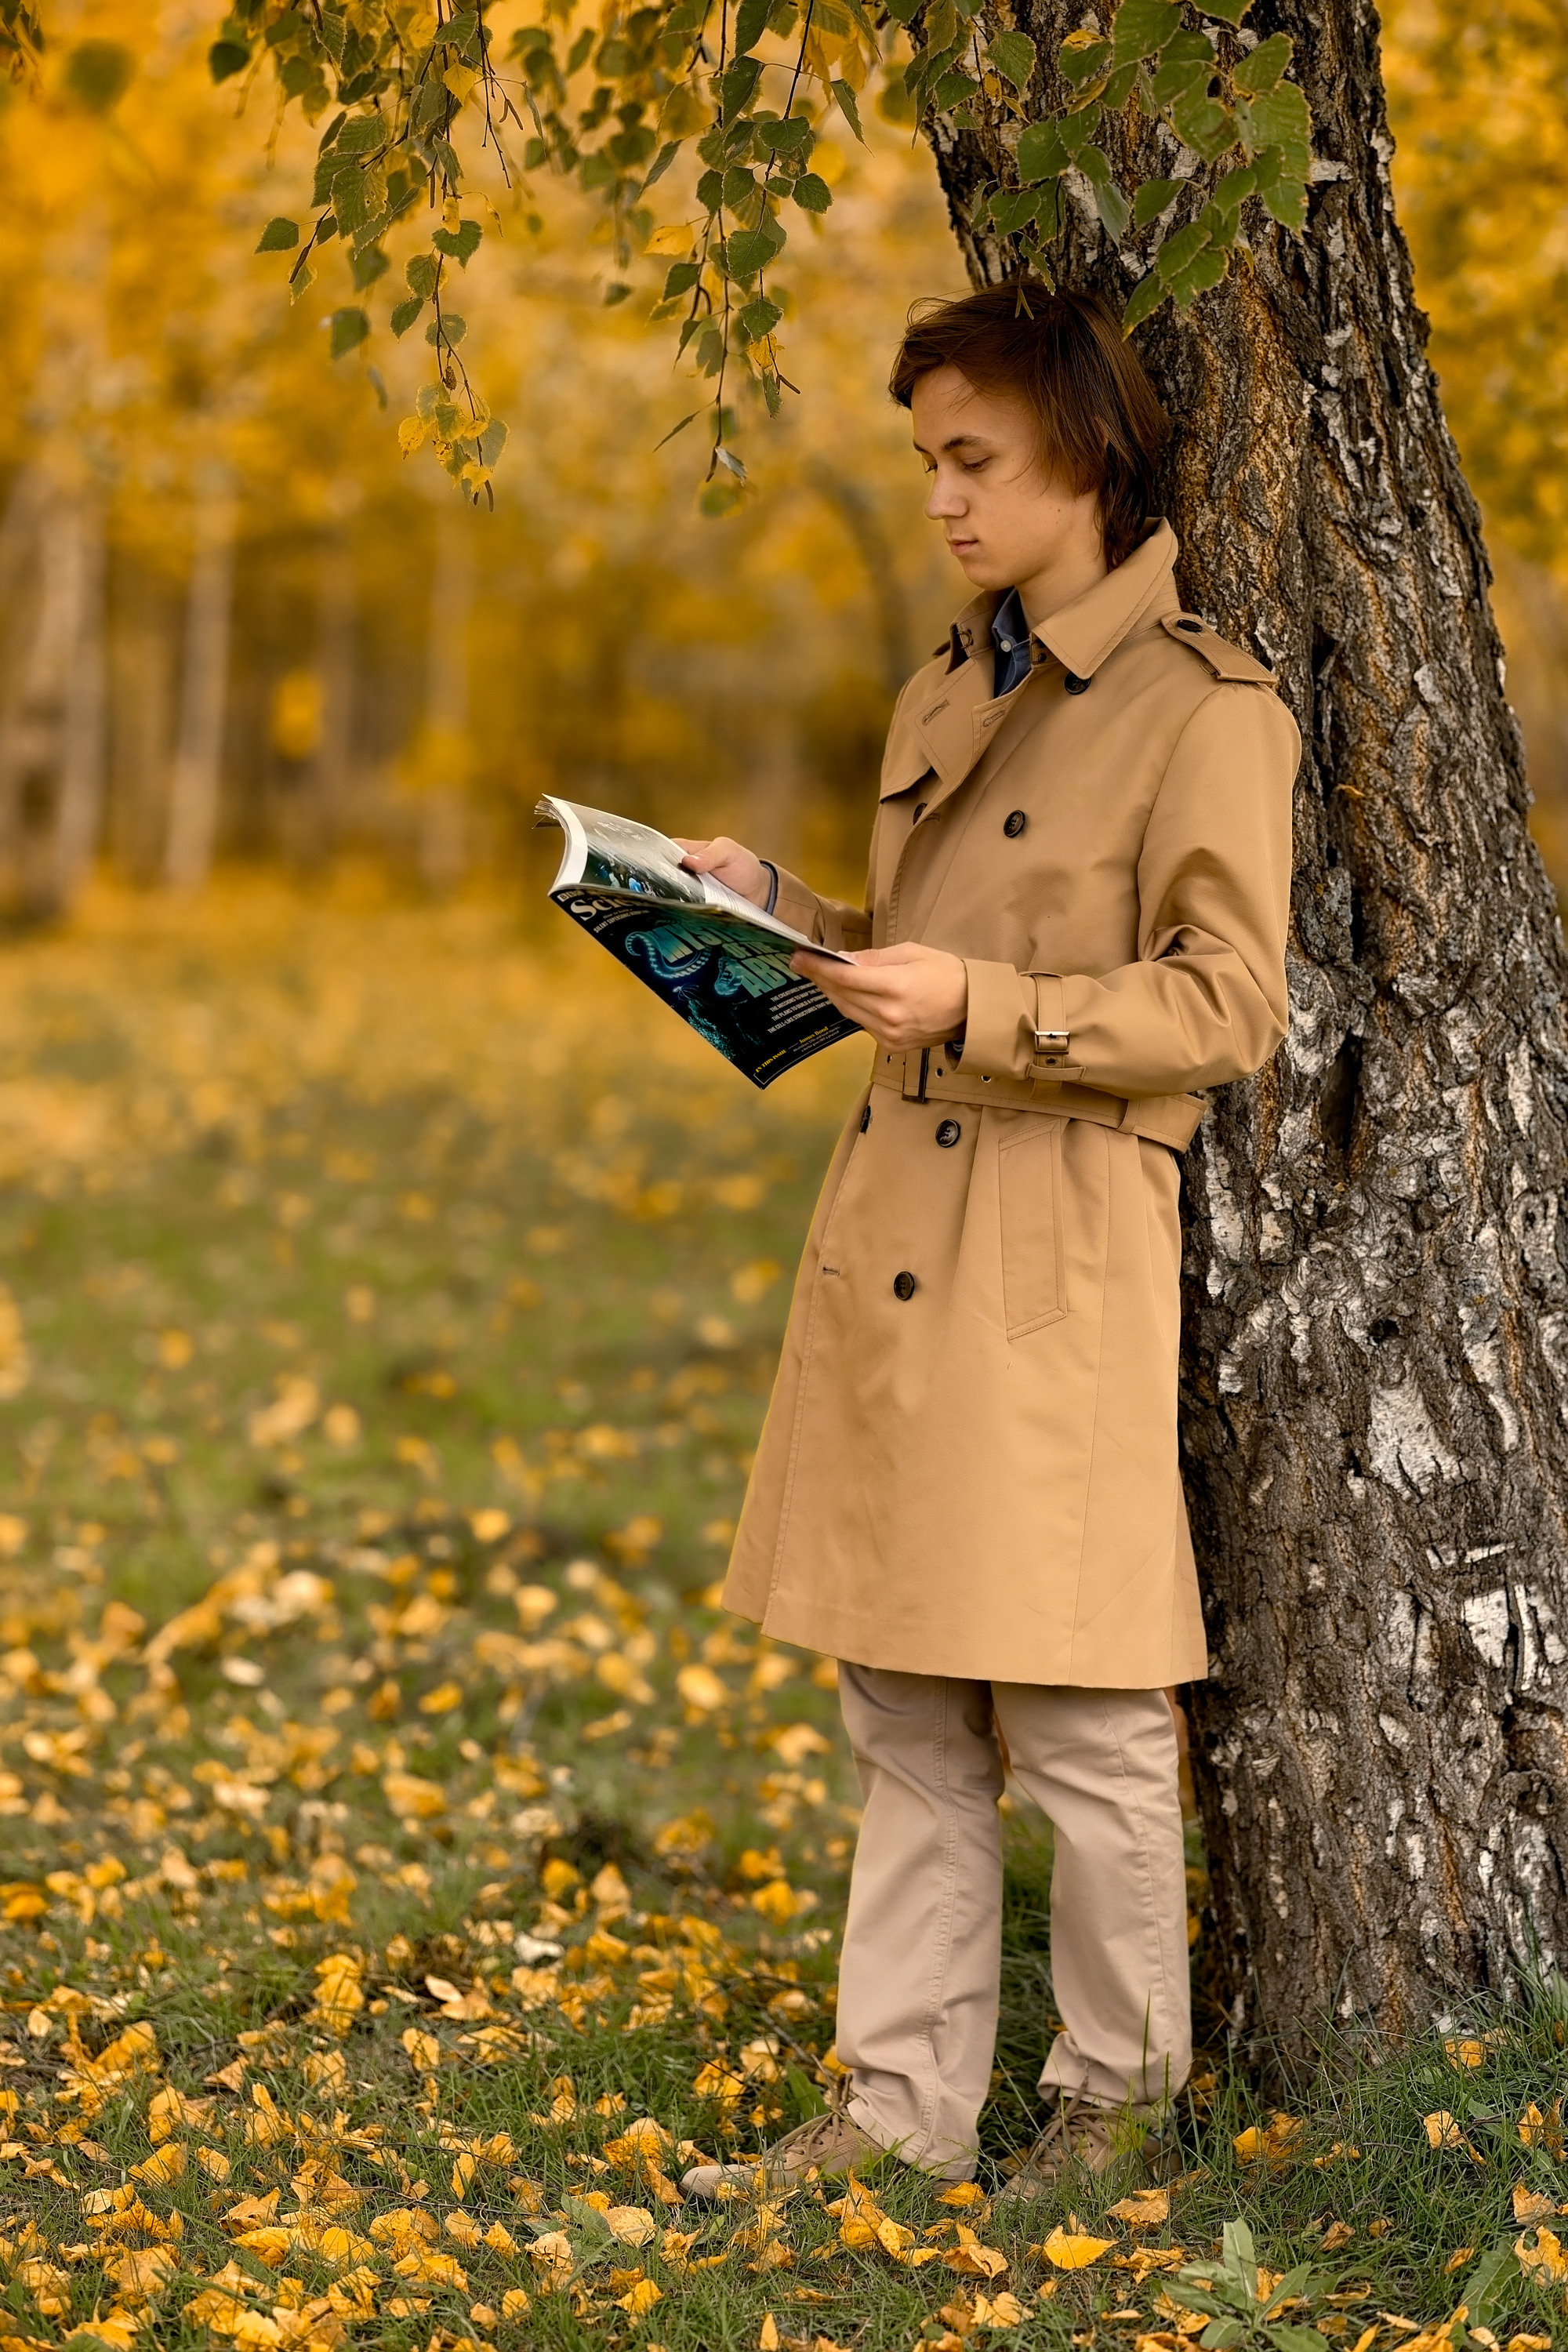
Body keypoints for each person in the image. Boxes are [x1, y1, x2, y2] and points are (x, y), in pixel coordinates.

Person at [675, 281, 1299, 2205]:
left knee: (1084, 1704)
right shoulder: (954, 676)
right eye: (925, 460)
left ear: (1084, 460)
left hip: (1054, 1243)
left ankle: (1115, 2116)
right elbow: (928, 938)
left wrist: (988, 1009)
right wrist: (773, 907)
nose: (941, 499)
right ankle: (892, 2118)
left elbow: (1227, 1008)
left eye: (974, 460)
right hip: (897, 1230)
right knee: (904, 1699)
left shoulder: (1205, 707)